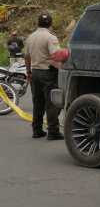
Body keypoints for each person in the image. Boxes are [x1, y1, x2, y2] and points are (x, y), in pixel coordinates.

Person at [25, 12, 64, 140]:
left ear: (38, 23)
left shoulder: (30, 37)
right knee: (51, 103)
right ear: (51, 24)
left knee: (38, 102)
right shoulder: (50, 37)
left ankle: (36, 130)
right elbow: (56, 55)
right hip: (48, 72)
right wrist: (62, 67)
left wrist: (29, 72)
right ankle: (53, 131)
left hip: (35, 72)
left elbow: (27, 57)